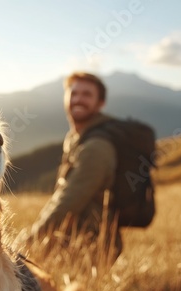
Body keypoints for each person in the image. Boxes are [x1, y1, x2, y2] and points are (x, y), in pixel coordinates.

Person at [29, 72, 122, 264]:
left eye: (87, 95)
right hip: (70, 239)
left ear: (100, 103)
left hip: (91, 246)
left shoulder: (96, 147)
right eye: (74, 93)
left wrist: (32, 238)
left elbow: (69, 199)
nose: (78, 99)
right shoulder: (75, 137)